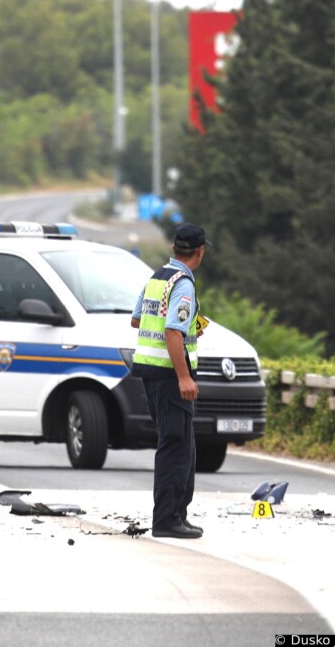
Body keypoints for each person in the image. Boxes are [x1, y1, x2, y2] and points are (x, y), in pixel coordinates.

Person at [130, 223, 212, 539]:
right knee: (175, 448)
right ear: (200, 252)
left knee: (182, 446)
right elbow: (172, 332)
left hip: (152, 374)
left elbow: (137, 319)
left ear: (175, 249)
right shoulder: (183, 284)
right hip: (169, 376)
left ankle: (178, 515)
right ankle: (166, 520)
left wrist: (188, 325)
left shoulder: (157, 278)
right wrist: (184, 377)